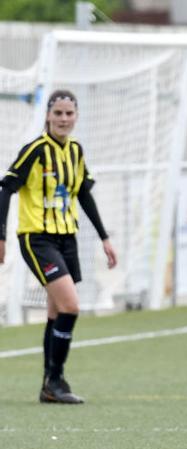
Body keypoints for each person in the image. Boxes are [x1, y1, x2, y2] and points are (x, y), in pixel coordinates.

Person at [0, 89, 117, 404]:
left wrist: (105, 238)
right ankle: (55, 378)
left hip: (67, 238)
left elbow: (83, 194)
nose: (63, 119)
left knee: (56, 310)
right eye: (58, 113)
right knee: (71, 306)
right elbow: (6, 189)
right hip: (37, 238)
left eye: (69, 113)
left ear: (76, 116)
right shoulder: (35, 151)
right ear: (48, 116)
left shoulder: (75, 151)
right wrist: (0, 235)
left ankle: (49, 385)